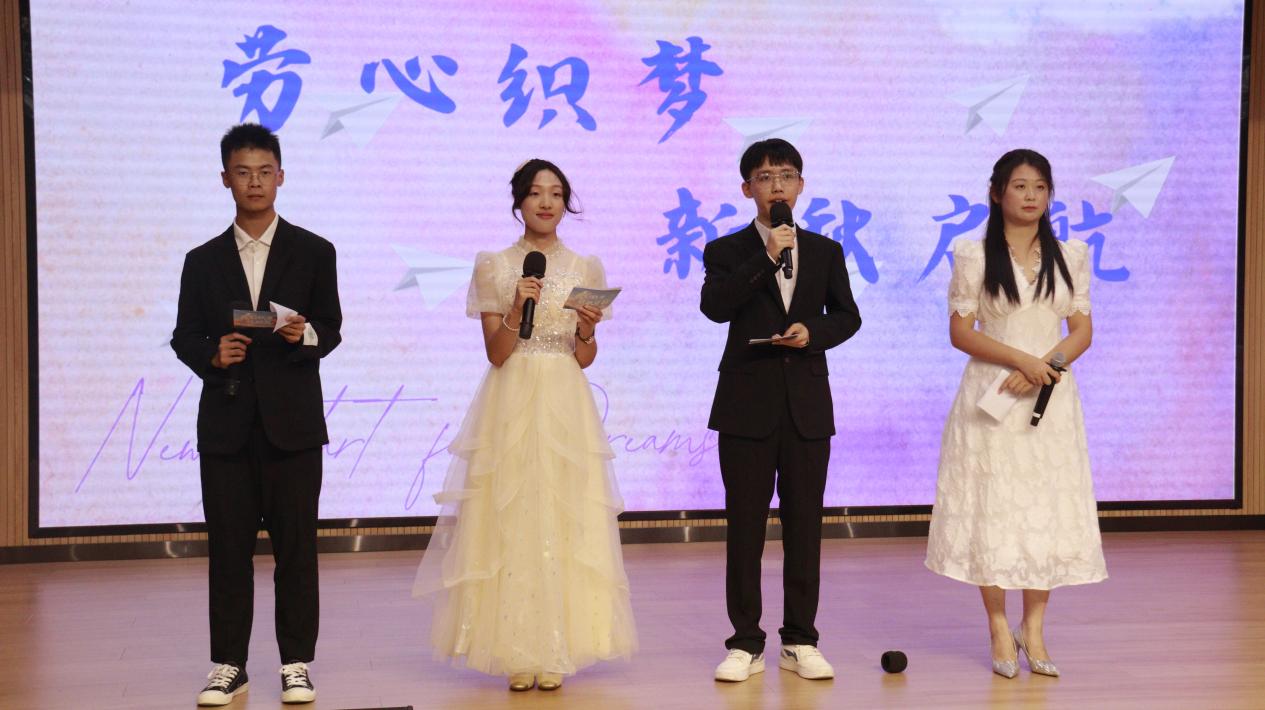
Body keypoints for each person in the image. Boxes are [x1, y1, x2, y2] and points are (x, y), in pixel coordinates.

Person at [413, 159, 636, 692]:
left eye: (556, 193)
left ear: (566, 203)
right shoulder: (493, 265)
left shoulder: (585, 267)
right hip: (511, 397)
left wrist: (586, 331)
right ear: (519, 201)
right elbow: (497, 353)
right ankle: (516, 647)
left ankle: (558, 647)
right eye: (536, 193)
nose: (546, 202)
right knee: (510, 515)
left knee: (564, 513)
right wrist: (517, 307)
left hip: (565, 399)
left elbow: (585, 357)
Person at [172, 123, 342, 706]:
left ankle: (296, 663)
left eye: (264, 172)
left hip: (293, 426)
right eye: (243, 172)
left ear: (281, 176)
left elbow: (331, 329)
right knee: (228, 551)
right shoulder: (202, 260)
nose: (254, 182)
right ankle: (229, 664)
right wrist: (211, 354)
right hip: (226, 426)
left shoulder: (315, 251)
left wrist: (304, 335)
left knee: (297, 550)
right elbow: (184, 335)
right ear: (225, 178)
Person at [924, 148, 1107, 678]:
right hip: (993, 396)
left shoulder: (1070, 255)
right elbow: (961, 332)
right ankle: (999, 626)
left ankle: (1035, 627)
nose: (1031, 196)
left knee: (1044, 507)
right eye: (1021, 186)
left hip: (1050, 399)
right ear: (997, 192)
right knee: (993, 507)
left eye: (1040, 187)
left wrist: (1045, 366)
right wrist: (1021, 361)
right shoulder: (973, 254)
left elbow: (1081, 331)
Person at [700, 139, 862, 682]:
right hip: (745, 406)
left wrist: (812, 332)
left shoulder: (825, 251)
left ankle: (800, 639)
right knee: (744, 528)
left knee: (805, 528)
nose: (777, 186)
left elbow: (848, 316)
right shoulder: (726, 250)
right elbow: (715, 307)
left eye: (786, 176)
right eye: (766, 177)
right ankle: (745, 643)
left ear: (801, 186)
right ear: (747, 188)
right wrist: (767, 257)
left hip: (806, 408)